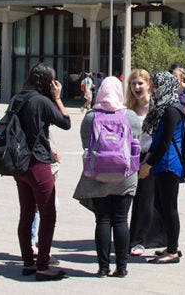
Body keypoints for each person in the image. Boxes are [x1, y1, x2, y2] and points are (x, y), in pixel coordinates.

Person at [73, 76, 141, 277]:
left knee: (102, 220)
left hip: (97, 174)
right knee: (121, 220)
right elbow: (136, 145)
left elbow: (86, 144)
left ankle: (103, 268)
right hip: (125, 175)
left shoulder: (90, 117)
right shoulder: (131, 116)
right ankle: (122, 268)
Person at [9, 62, 71, 281]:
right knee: (47, 215)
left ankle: (28, 262)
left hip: (20, 164)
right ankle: (43, 266)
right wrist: (57, 97)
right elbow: (66, 122)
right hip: (38, 162)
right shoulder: (43, 101)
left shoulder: (18, 98)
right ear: (48, 82)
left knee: (26, 214)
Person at [139, 71, 185, 264]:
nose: (153, 89)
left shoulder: (171, 110)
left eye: (156, 85)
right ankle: (171, 244)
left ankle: (173, 251)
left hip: (169, 163)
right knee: (161, 204)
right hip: (163, 162)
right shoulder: (165, 107)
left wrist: (148, 164)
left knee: (169, 206)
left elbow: (165, 142)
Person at [125, 69, 159, 257]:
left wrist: (150, 160)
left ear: (149, 85)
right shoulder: (127, 109)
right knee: (131, 199)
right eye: (133, 84)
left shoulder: (156, 108)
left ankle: (139, 240)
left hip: (150, 157)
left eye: (140, 83)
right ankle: (134, 237)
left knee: (145, 199)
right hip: (130, 157)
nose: (137, 87)